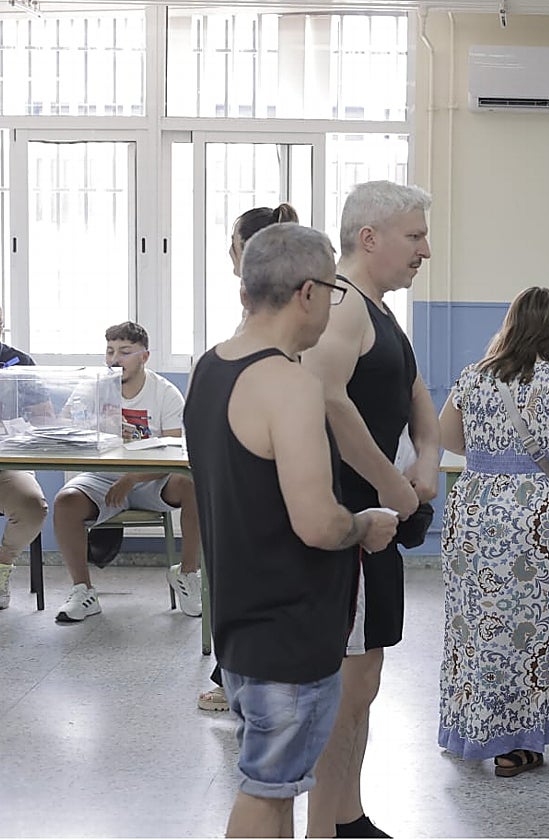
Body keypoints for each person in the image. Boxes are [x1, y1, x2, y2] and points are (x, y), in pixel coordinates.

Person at [185, 222, 399, 839]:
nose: (333, 305)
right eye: (333, 291)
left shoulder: (211, 368)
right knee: (268, 791)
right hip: (289, 626)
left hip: (239, 618)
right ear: (308, 293)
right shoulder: (290, 385)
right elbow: (318, 523)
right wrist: (365, 525)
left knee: (275, 790)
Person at [301, 181, 439, 839]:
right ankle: (324, 829)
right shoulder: (341, 302)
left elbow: (418, 398)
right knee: (345, 688)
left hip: (378, 523)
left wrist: (428, 459)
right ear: (369, 237)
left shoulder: (381, 312)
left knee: (365, 682)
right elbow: (329, 399)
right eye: (415, 236)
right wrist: (395, 488)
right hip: (349, 521)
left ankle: (349, 816)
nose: (425, 251)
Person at [438, 286, 549, 777]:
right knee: (536, 630)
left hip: (474, 514)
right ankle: (520, 741)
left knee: (477, 625)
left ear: (510, 323)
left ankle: (473, 725)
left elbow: (448, 437)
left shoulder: (473, 376)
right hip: (536, 520)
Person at [198, 201, 300, 713]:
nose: (229, 255)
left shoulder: (276, 320)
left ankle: (245, 676)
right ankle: (234, 671)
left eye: (233, 245)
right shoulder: (253, 316)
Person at [52, 322, 201, 623]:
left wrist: (132, 478)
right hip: (102, 477)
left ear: (144, 357)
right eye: (110, 351)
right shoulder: (93, 387)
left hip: (152, 478)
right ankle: (83, 591)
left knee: (193, 485)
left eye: (124, 352)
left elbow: (175, 452)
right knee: (65, 503)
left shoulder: (165, 393)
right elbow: (64, 426)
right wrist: (95, 426)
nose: (114, 359)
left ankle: (187, 574)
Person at [0, 304, 50, 610]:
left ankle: (2, 564)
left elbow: (45, 417)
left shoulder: (18, 363)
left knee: (32, 508)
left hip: (9, 464)